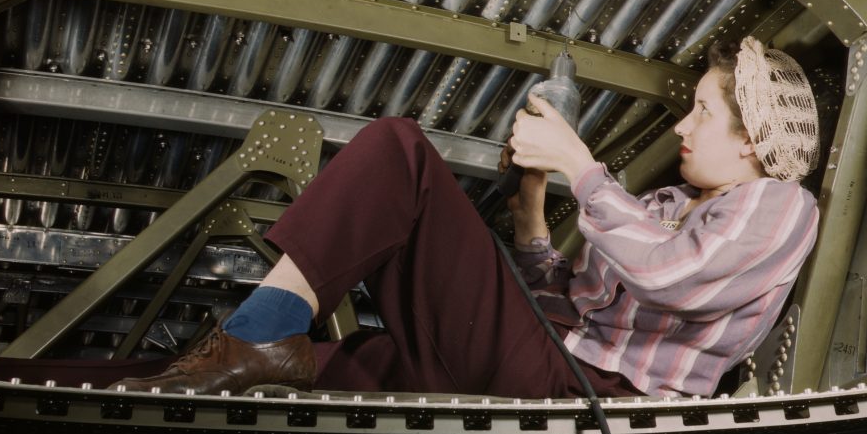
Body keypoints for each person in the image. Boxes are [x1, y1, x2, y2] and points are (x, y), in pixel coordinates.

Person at [115, 36, 820, 400]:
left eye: (703, 110)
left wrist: (580, 164)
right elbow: (562, 310)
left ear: (753, 137)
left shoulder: (780, 205)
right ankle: (111, 381)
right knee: (342, 365)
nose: (681, 126)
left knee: (401, 151)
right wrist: (532, 215)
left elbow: (675, 276)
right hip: (550, 364)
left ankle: (254, 337)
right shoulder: (664, 207)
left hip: (595, 401)